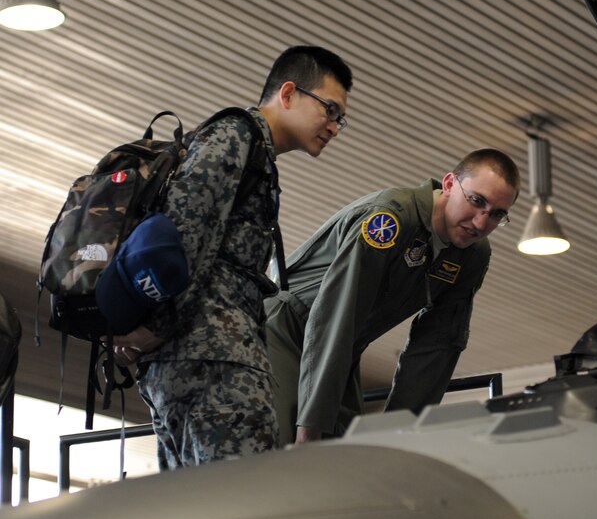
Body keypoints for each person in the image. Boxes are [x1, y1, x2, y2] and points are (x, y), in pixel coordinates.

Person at [106, 45, 353, 469]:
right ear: (289, 93)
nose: (333, 126)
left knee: (198, 515)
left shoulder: (253, 152)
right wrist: (156, 326)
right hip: (215, 363)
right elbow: (184, 233)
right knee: (243, 503)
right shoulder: (236, 135)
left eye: (340, 119)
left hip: (196, 358)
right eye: (329, 109)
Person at [264, 148, 520, 445]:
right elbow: (337, 314)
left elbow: (437, 345)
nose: (480, 223)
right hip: (283, 331)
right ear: (449, 183)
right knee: (284, 452)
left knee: (345, 461)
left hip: (340, 349)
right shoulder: (391, 218)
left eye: (497, 214)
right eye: (477, 201)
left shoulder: (472, 256)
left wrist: (402, 434)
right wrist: (310, 425)